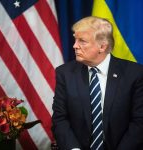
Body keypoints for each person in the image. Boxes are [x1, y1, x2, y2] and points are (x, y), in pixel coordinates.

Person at [51, 16, 143, 150]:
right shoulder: (65, 73)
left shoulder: (134, 74)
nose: (75, 46)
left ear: (102, 46)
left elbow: (139, 122)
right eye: (75, 40)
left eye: (82, 41)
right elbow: (60, 119)